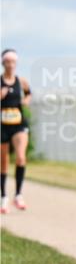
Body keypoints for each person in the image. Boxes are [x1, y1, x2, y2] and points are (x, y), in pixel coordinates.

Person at [1, 49, 31, 214]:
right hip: (2, 125)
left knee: (21, 157)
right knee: (3, 161)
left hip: (18, 124)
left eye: (13, 62)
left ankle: (18, 195)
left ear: (16, 63)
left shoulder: (21, 81)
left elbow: (29, 93)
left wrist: (26, 100)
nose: (10, 64)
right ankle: (3, 196)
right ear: (3, 63)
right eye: (7, 61)